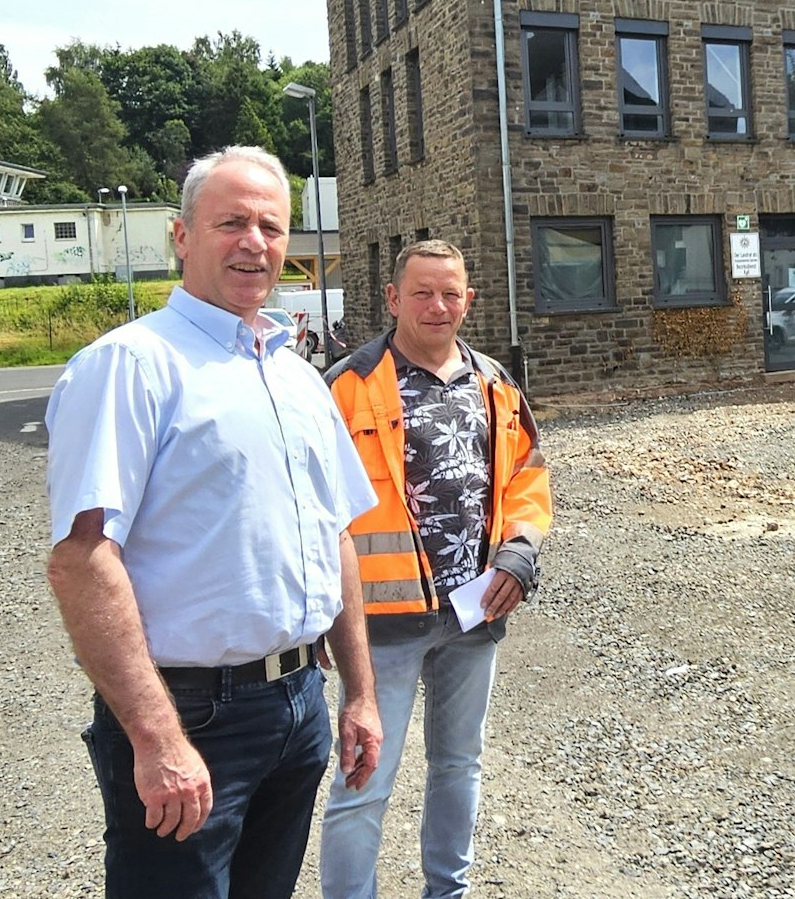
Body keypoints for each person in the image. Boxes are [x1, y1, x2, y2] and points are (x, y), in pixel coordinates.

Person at [44, 146, 384, 899]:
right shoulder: (131, 366)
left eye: (270, 225)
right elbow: (82, 559)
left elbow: (336, 536)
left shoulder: (297, 377)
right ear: (182, 236)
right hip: (192, 712)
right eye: (231, 221)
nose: (254, 242)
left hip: (298, 705)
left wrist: (358, 692)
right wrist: (157, 735)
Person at [319, 239, 552, 899]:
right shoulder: (347, 386)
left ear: (468, 300)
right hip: (379, 627)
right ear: (392, 299)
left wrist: (520, 551)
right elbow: (307, 509)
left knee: (458, 766)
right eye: (422, 292)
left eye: (450, 293)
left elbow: (530, 482)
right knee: (363, 784)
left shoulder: (496, 385)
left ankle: (448, 892)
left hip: (473, 615)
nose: (437, 305)